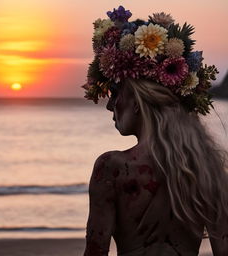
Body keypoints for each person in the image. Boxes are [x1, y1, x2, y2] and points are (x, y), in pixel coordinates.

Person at [82, 6, 228, 256]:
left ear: (138, 101)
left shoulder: (112, 167)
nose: (109, 105)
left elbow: (95, 252)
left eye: (116, 93)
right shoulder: (207, 169)